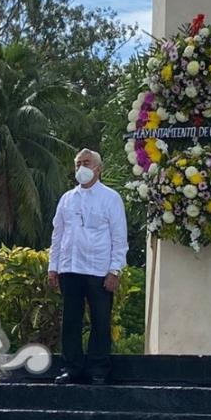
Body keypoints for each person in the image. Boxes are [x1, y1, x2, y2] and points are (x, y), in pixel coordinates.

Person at [48, 148, 128, 385]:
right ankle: (72, 368)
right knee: (71, 321)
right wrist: (53, 267)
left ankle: (98, 369)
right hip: (70, 268)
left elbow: (119, 237)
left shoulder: (111, 198)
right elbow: (58, 234)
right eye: (78, 163)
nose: (82, 167)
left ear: (98, 168)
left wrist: (115, 270)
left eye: (87, 162)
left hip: (98, 270)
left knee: (100, 320)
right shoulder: (67, 199)